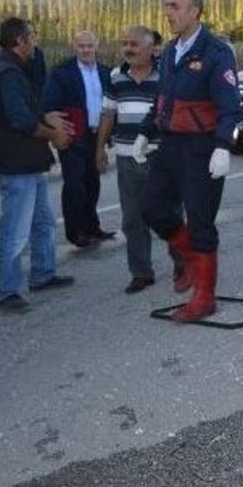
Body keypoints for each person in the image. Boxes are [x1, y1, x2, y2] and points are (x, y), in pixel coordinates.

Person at [139, 0, 241, 322]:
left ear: (194, 11)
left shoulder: (216, 52)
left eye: (174, 6)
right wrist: (145, 131)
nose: (167, 12)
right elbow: (162, 100)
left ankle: (204, 297)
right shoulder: (170, 51)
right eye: (166, 6)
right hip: (170, 145)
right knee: (152, 208)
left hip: (202, 148)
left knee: (200, 222)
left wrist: (222, 147)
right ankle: (189, 260)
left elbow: (230, 106)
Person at [0, 18, 74, 312]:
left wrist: (48, 118)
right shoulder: (8, 73)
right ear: (20, 41)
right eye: (32, 37)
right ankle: (7, 291)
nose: (35, 42)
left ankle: (42, 274)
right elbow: (20, 120)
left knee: (43, 222)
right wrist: (54, 135)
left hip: (28, 161)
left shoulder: (19, 69)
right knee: (15, 230)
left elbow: (32, 106)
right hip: (15, 163)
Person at [96, 26, 186, 294]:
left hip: (160, 157)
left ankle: (183, 264)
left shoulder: (167, 74)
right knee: (132, 219)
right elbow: (107, 114)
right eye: (124, 43)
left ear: (151, 48)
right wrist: (100, 148)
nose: (128, 48)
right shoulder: (116, 76)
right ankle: (141, 273)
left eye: (134, 44)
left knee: (169, 213)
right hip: (126, 159)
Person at [43, 31, 114, 248]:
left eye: (89, 46)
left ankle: (92, 226)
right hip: (73, 135)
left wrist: (109, 136)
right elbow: (49, 105)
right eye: (81, 46)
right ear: (74, 47)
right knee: (75, 184)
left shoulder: (106, 72)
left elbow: (112, 106)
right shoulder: (62, 72)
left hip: (97, 135)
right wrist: (56, 127)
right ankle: (76, 231)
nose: (85, 50)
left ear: (96, 46)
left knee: (93, 182)